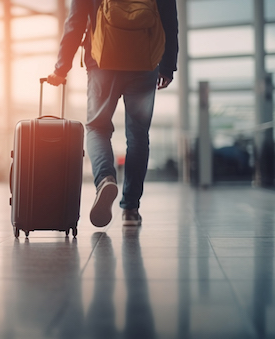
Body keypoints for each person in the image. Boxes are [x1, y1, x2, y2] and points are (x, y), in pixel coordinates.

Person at [47, 0, 178, 227]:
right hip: (144, 63)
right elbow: (169, 21)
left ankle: (105, 179)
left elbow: (75, 22)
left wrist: (61, 68)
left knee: (97, 128)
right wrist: (168, 66)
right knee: (138, 136)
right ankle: (130, 209)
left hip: (102, 63)